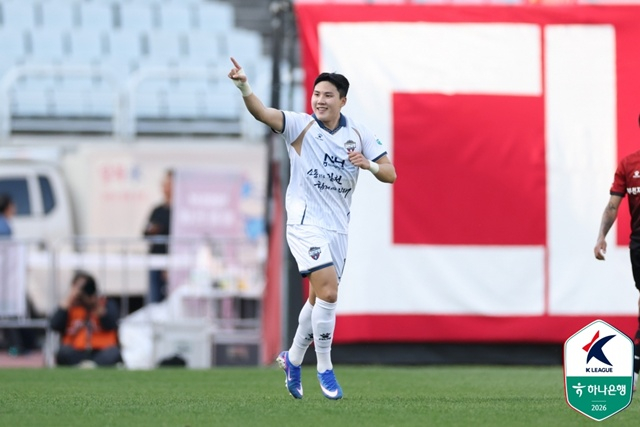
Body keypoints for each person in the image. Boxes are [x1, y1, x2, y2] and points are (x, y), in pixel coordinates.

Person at [228, 57, 396, 400]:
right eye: (317, 94)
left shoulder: (358, 134)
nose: (320, 100)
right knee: (330, 294)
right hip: (305, 222)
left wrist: (368, 165)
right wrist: (244, 87)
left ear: (342, 101)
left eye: (328, 95)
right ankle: (324, 367)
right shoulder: (299, 125)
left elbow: (390, 173)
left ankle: (292, 360)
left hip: (338, 228)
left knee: (318, 298)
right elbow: (261, 113)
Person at [594, 137, 640, 390]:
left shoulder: (629, 163)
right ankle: (633, 367)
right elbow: (613, 205)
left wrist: (601, 237)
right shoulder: (628, 164)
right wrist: (601, 236)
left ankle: (633, 367)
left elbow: (613, 206)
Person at [49, 271, 121, 367]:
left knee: (113, 353)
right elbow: (54, 325)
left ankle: (92, 365)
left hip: (100, 350)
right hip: (76, 350)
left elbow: (111, 324)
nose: (83, 292)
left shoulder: (105, 303)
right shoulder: (69, 306)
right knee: (63, 352)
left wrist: (96, 306)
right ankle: (83, 365)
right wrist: (69, 300)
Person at [143, 169, 173, 303]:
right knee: (154, 299)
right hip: (156, 261)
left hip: (173, 261)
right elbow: (145, 233)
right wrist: (154, 230)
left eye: (169, 184)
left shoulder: (180, 212)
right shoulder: (158, 210)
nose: (165, 187)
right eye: (164, 184)